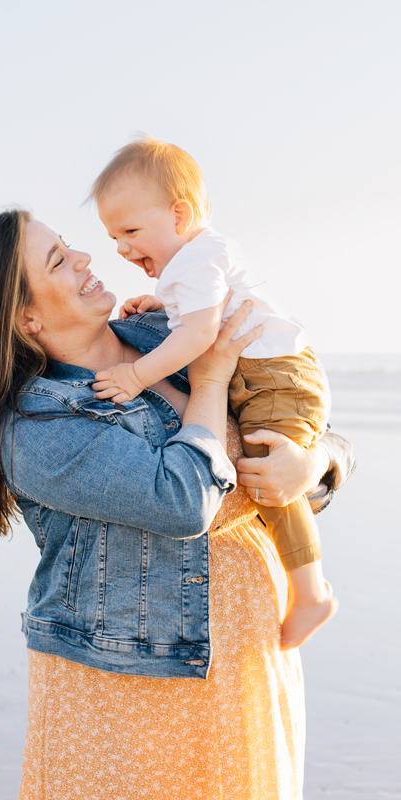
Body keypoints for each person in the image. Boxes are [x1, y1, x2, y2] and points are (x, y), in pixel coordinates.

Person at [0, 209, 355, 800]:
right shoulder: (39, 425)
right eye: (58, 260)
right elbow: (183, 501)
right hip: (126, 680)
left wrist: (315, 464)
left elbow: (294, 412)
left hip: (248, 649)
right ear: (25, 318)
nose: (85, 259)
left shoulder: (170, 333)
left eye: (70, 246)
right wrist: (208, 383)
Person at [90, 135, 337, 649]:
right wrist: (159, 308)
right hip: (264, 373)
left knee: (270, 473)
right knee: (262, 472)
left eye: (131, 231)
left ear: (179, 215)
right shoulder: (193, 261)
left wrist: (136, 376)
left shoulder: (199, 259)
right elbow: (194, 317)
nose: (122, 248)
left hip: (274, 375)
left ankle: (312, 591)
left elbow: (200, 335)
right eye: (114, 237)